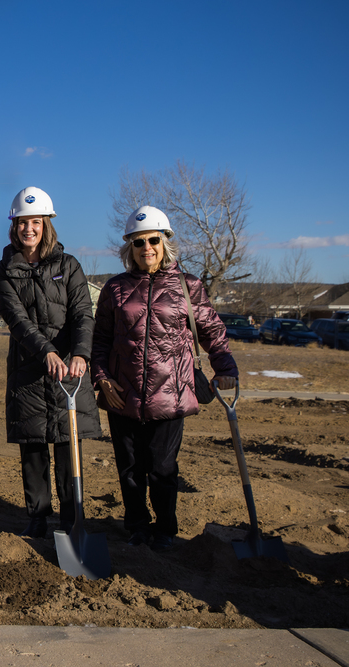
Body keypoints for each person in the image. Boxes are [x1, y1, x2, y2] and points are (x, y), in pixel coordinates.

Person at [91, 205, 238, 552]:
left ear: (165, 241)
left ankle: (165, 530)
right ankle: (137, 528)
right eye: (138, 242)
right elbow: (100, 340)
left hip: (170, 394)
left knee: (161, 468)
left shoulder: (189, 287)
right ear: (129, 247)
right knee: (129, 469)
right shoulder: (115, 288)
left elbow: (212, 330)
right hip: (122, 395)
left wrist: (226, 368)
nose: (147, 248)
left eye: (153, 240)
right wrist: (102, 378)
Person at [0, 187, 102, 538]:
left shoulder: (69, 266)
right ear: (14, 226)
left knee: (69, 447)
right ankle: (38, 517)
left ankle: (72, 520)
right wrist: (46, 352)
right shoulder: (5, 270)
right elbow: (17, 320)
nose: (29, 229)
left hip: (70, 369)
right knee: (34, 448)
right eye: (23, 222)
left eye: (35, 222)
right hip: (29, 370)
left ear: (46, 225)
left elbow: (83, 314)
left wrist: (81, 353)